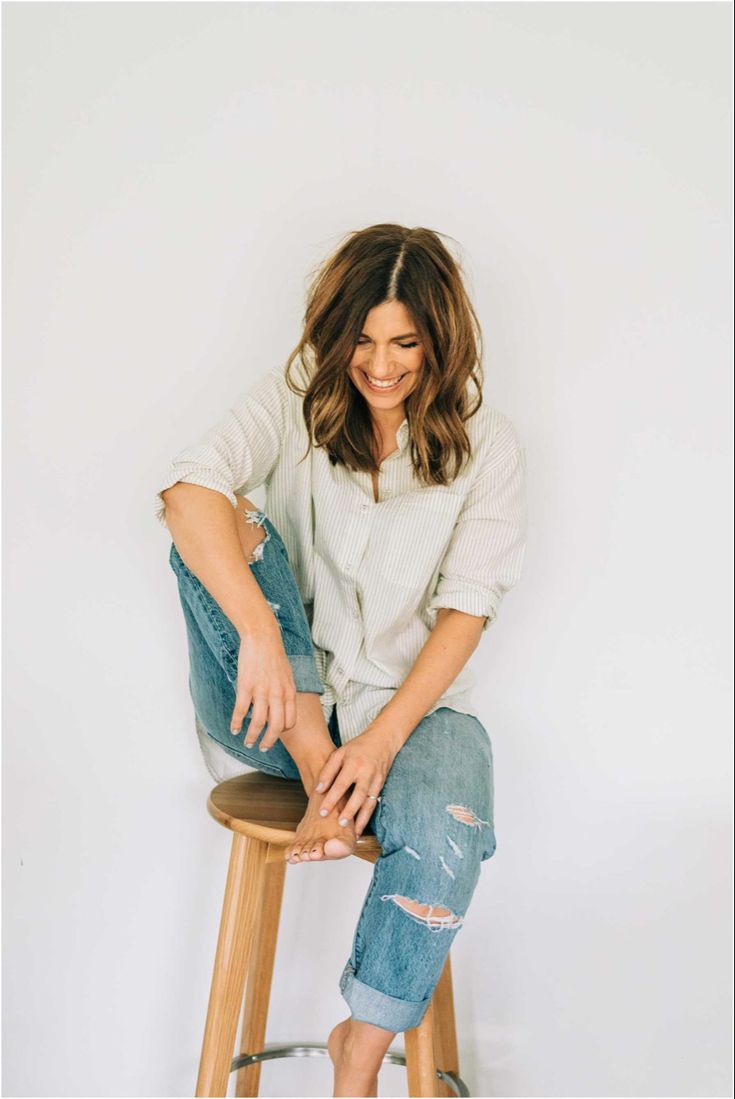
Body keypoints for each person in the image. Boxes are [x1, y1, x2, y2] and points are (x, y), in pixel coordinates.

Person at [155, 223, 527, 1097]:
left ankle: (356, 1051)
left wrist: (383, 740)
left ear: (442, 341)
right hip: (270, 712)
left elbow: (465, 611)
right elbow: (185, 491)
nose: (380, 364)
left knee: (450, 824)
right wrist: (260, 636)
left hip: (411, 713)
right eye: (360, 339)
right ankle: (323, 767)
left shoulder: (490, 446)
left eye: (404, 341)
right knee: (218, 517)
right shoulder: (296, 402)